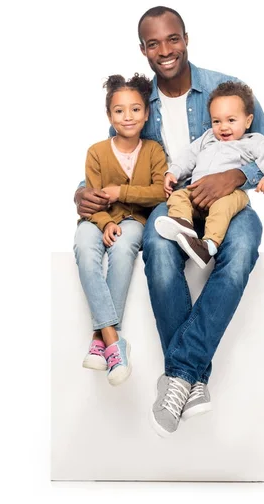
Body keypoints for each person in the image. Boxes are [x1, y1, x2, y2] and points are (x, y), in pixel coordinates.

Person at [74, 6, 264, 436]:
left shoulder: (225, 90)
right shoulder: (141, 102)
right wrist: (82, 190)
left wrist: (235, 175)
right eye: (154, 44)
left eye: (173, 39)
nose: (165, 50)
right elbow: (121, 153)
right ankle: (193, 379)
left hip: (230, 200)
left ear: (186, 38)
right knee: (156, 245)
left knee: (244, 247)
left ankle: (179, 375)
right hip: (175, 203)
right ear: (143, 50)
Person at [74, 73, 167, 387]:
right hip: (96, 220)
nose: (128, 117)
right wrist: (105, 222)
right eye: (119, 111)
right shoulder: (97, 152)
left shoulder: (154, 151)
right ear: (108, 115)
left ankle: (99, 339)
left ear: (146, 113)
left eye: (135, 109)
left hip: (133, 222)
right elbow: (94, 195)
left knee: (125, 248)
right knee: (85, 249)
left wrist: (122, 193)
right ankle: (114, 339)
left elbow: (159, 192)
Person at [154, 80, 264, 269]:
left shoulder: (253, 142)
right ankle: (183, 225)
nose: (223, 127)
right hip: (197, 192)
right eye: (217, 121)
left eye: (231, 120)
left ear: (248, 121)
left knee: (222, 208)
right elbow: (188, 156)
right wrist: (173, 172)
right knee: (177, 196)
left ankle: (208, 245)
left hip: (230, 194)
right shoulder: (208, 138)